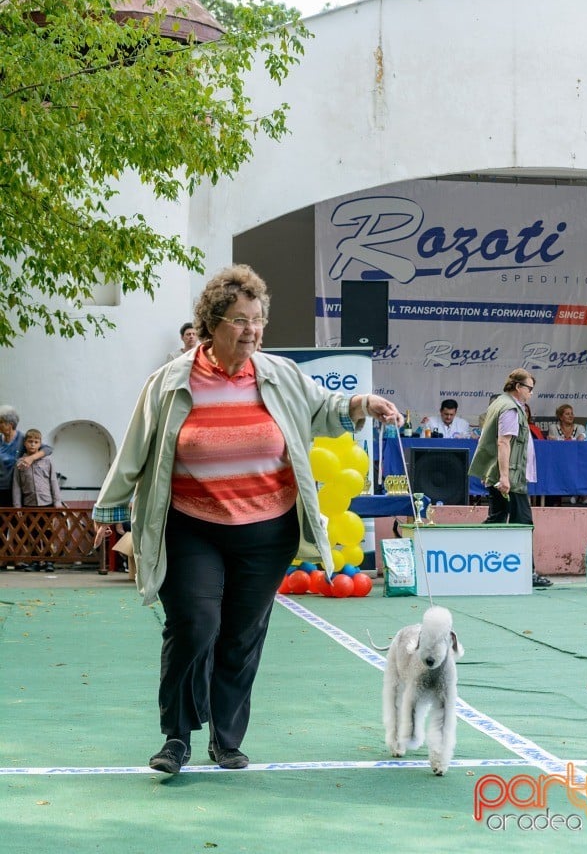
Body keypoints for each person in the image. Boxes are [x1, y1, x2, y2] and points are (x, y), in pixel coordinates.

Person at [92, 264, 403, 775]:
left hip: (266, 530)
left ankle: (226, 738)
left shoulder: (278, 374)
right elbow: (137, 443)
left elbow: (324, 407)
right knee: (195, 624)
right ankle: (176, 736)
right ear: (213, 323)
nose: (252, 330)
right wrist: (111, 504)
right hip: (191, 525)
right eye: (240, 320)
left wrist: (361, 403)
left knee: (241, 634)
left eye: (258, 319)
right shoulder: (171, 381)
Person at [468, 368, 552, 589]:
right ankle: (527, 572)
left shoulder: (500, 403)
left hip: (500, 474)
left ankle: (474, 561)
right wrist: (505, 478)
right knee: (523, 522)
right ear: (518, 387)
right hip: (509, 477)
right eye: (529, 388)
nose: (531, 393)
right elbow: (503, 442)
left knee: (497, 519)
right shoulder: (510, 408)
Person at [0, 406, 53, 571]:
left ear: (10, 424)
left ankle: (18, 560)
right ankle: (2, 558)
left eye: (1, 422)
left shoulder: (23, 438)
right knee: (1, 526)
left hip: (18, 492)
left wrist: (31, 458)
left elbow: (47, 449)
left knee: (19, 527)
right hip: (1, 489)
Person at [12, 429, 63, 572]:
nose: (33, 445)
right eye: (30, 441)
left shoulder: (47, 461)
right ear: (25, 443)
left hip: (47, 503)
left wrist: (57, 502)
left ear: (40, 444)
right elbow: (16, 485)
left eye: (36, 442)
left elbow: (53, 481)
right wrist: (17, 506)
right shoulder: (20, 463)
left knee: (47, 533)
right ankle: (35, 561)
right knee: (32, 534)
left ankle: (48, 561)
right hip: (29, 504)